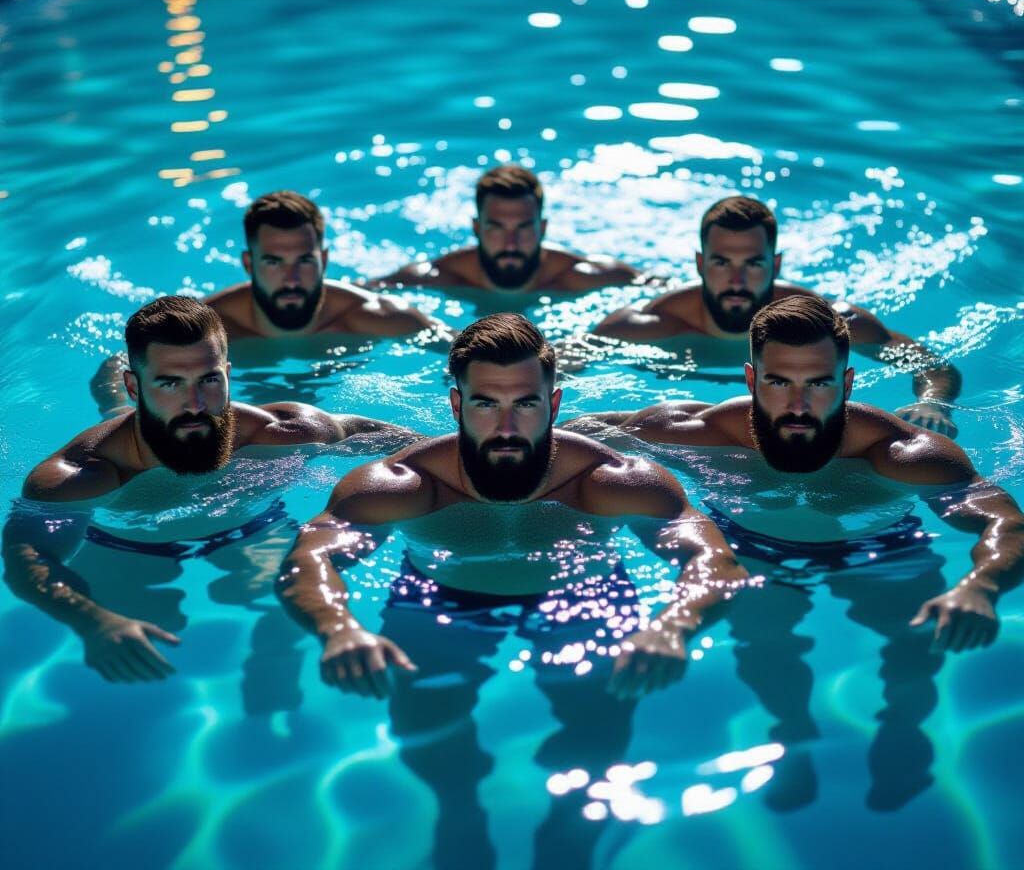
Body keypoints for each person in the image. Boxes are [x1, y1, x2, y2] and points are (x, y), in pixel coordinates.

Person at [276, 312, 749, 867]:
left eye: (525, 404)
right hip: (441, 594)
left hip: (583, 593)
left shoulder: (610, 480)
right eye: (485, 404)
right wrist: (338, 628)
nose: (505, 427)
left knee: (601, 720)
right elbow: (308, 560)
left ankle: (571, 839)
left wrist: (675, 624)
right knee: (422, 718)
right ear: (455, 406)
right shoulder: (406, 485)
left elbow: (715, 559)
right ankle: (458, 812)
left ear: (554, 404)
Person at [566, 295, 1024, 809]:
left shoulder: (900, 453)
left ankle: (903, 727)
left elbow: (1006, 521)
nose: (798, 404)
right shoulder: (700, 433)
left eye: (819, 383)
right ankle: (793, 733)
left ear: (847, 383)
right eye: (779, 382)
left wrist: (981, 586)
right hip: (752, 547)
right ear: (750, 379)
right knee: (766, 645)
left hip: (879, 546)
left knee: (916, 640)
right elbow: (574, 435)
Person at [3, 296, 414, 684]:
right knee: (148, 633)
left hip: (250, 527)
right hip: (125, 545)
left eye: (209, 380)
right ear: (136, 386)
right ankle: (111, 390)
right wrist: (93, 621)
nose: (195, 403)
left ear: (228, 374)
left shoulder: (281, 432)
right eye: (170, 383)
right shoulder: (81, 476)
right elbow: (29, 558)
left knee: (282, 611)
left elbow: (406, 445)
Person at [591, 195, 963, 437]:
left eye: (753, 264)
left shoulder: (828, 323)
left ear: (776, 264)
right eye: (721, 263)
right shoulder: (645, 325)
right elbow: (561, 364)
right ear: (701, 264)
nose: (736, 281)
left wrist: (933, 403)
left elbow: (929, 364)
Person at [91, 190, 448, 416]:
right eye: (274, 263)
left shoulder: (371, 315)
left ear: (324, 260)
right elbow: (119, 363)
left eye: (304, 262)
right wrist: (118, 411)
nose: (291, 280)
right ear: (249, 264)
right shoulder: (213, 325)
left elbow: (458, 347)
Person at [366, 164, 644, 294]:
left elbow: (657, 285)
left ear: (543, 228)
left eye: (523, 228)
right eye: (497, 228)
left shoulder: (581, 276)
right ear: (476, 228)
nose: (511, 243)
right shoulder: (438, 277)